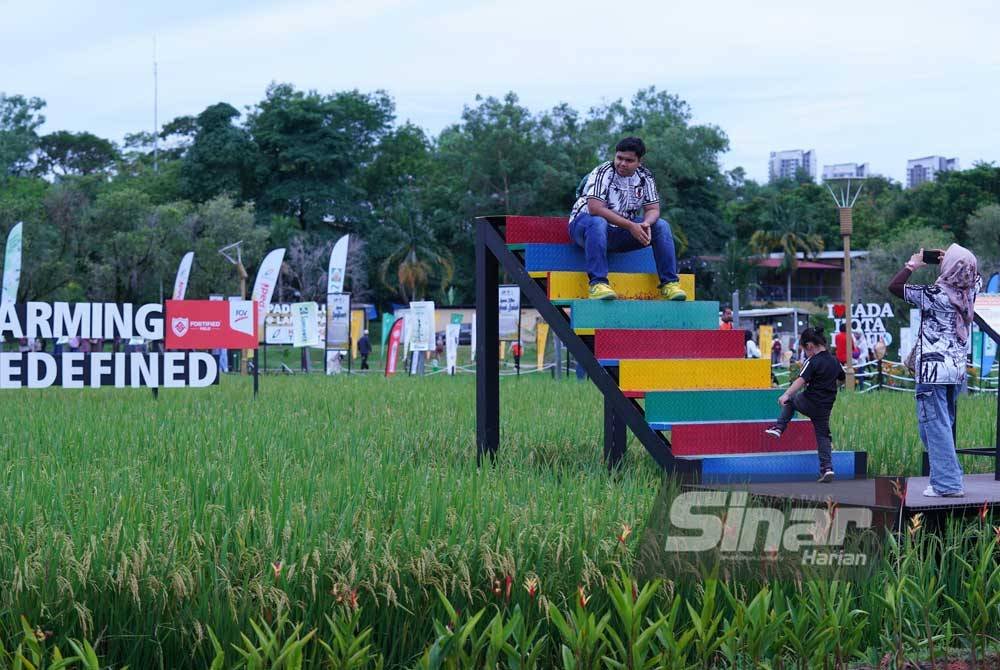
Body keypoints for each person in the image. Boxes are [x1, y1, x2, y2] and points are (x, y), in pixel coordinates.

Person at [889, 245, 981, 497]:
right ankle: (947, 476)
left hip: (932, 372)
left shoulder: (935, 293)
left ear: (950, 268)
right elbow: (975, 275)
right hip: (956, 372)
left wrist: (913, 265)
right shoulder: (970, 292)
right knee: (941, 424)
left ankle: (948, 484)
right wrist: (954, 261)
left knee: (934, 425)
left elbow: (895, 287)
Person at [568, 137, 687, 301]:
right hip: (586, 227)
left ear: (639, 161)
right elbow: (595, 209)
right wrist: (631, 226)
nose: (622, 163)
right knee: (598, 222)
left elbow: (653, 209)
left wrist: (646, 223)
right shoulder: (603, 172)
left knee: (661, 226)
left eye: (629, 160)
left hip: (619, 231)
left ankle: (669, 283)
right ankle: (597, 284)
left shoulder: (645, 176)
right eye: (619, 158)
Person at [765, 328, 845, 483]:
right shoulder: (834, 360)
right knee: (823, 436)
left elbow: (800, 380)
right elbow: (841, 378)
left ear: (809, 346)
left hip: (810, 401)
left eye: (804, 350)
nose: (805, 353)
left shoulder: (812, 361)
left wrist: (786, 394)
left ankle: (779, 427)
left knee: (791, 400)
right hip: (825, 406)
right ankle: (827, 468)